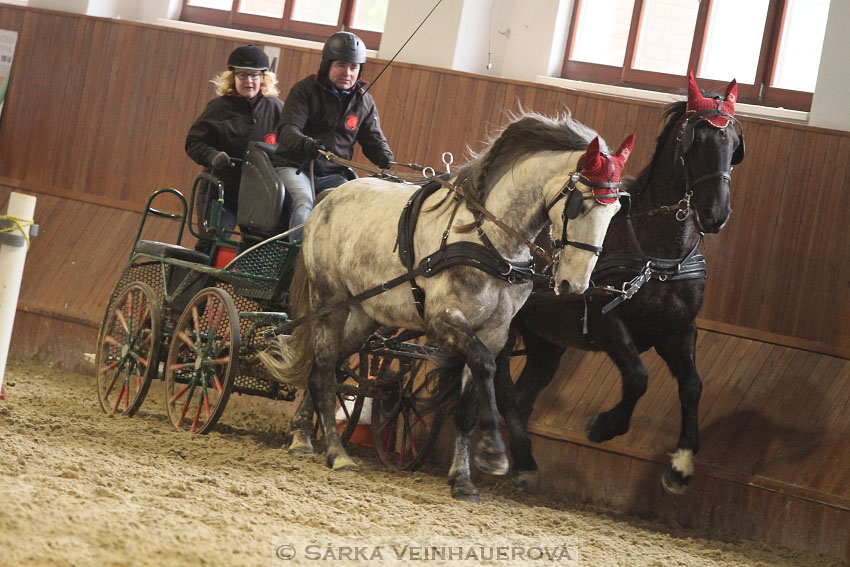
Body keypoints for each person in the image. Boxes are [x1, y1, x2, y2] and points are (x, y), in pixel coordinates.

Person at [271, 31, 394, 240]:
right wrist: (306, 144)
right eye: (341, 65)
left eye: (353, 67)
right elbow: (286, 131)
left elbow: (373, 139)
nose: (347, 72)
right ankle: (294, 261)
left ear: (359, 70)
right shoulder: (305, 90)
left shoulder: (364, 101)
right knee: (304, 202)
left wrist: (384, 155)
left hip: (334, 173)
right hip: (295, 167)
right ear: (328, 65)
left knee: (357, 205)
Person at [185, 44, 283, 251]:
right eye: (243, 75)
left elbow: (289, 144)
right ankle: (198, 282)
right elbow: (193, 143)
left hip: (260, 195)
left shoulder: (276, 109)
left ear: (263, 78)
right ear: (233, 78)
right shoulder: (218, 108)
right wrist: (212, 156)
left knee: (257, 252)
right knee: (212, 245)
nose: (249, 81)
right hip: (221, 191)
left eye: (254, 75)